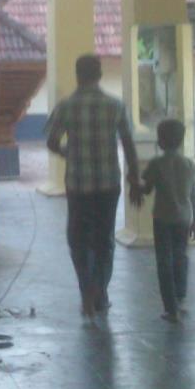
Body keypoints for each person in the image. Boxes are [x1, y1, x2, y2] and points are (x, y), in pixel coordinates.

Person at [45, 54, 144, 318]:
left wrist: (70, 153)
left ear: (78, 75)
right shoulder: (115, 105)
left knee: (78, 240)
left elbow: (51, 141)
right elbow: (129, 145)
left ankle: (86, 291)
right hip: (108, 185)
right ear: (100, 75)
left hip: (78, 185)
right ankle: (99, 292)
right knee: (104, 241)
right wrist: (135, 179)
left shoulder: (66, 106)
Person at [142, 118, 195, 323]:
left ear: (160, 141)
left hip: (162, 219)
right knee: (180, 257)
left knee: (164, 261)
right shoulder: (188, 164)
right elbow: (194, 195)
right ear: (182, 140)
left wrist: (135, 184)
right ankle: (180, 297)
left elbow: (147, 189)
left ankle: (170, 308)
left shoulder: (156, 164)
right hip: (184, 219)